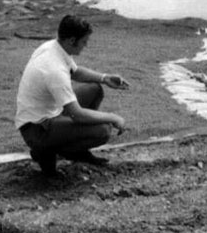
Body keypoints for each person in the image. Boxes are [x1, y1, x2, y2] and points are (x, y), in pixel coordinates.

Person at [15, 14, 129, 177]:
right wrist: (113, 117)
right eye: (83, 42)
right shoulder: (54, 70)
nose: (86, 45)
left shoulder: (53, 47)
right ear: (71, 40)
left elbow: (75, 72)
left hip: (47, 115)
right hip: (37, 129)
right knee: (103, 130)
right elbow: (78, 115)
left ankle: (77, 150)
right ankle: (46, 152)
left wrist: (105, 78)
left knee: (94, 88)